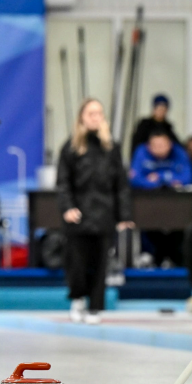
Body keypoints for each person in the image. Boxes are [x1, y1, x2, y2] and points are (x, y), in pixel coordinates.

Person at [57, 98, 133, 324]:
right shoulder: (70, 147)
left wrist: (124, 215)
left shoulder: (112, 148)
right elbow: (63, 182)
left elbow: (121, 184)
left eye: (99, 113)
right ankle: (78, 298)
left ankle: (95, 307)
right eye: (91, 113)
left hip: (104, 214)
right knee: (77, 263)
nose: (95, 117)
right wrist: (67, 207)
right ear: (82, 116)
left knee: (100, 264)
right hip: (78, 215)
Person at [129, 131, 192, 266]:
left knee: (180, 228)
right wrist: (162, 181)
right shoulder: (141, 152)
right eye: (155, 145)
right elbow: (134, 179)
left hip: (176, 207)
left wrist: (160, 177)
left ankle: (177, 258)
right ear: (149, 146)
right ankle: (150, 255)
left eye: (162, 145)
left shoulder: (178, 152)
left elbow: (187, 177)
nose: (159, 148)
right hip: (148, 207)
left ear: (170, 144)